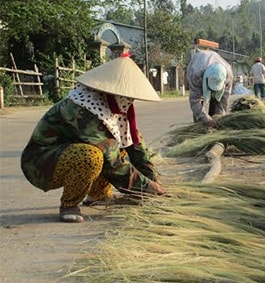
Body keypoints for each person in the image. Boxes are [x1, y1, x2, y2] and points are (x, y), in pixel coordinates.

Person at [20, 54, 166, 223]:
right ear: (111, 91)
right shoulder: (82, 109)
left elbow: (135, 145)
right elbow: (111, 159)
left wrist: (155, 181)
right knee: (91, 156)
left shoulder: (114, 111)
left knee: (121, 148)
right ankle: (69, 204)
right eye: (127, 95)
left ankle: (98, 195)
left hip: (68, 153)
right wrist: (144, 187)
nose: (130, 100)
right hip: (41, 162)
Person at [186, 49, 234, 128]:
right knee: (200, 116)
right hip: (198, 63)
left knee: (216, 104)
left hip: (214, 62)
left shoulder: (228, 76)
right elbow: (195, 101)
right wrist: (206, 119)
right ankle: (199, 127)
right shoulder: (195, 75)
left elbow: (223, 101)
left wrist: (219, 118)